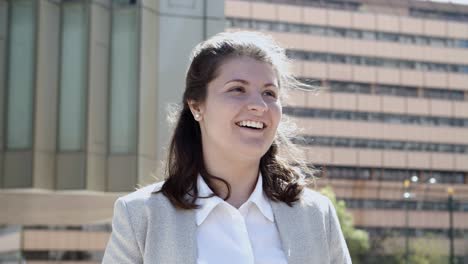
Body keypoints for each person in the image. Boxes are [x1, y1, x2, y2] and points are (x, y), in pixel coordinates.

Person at [102, 31, 351, 264]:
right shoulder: (140, 216)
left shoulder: (316, 215)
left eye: (269, 93)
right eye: (237, 89)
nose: (259, 105)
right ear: (196, 106)